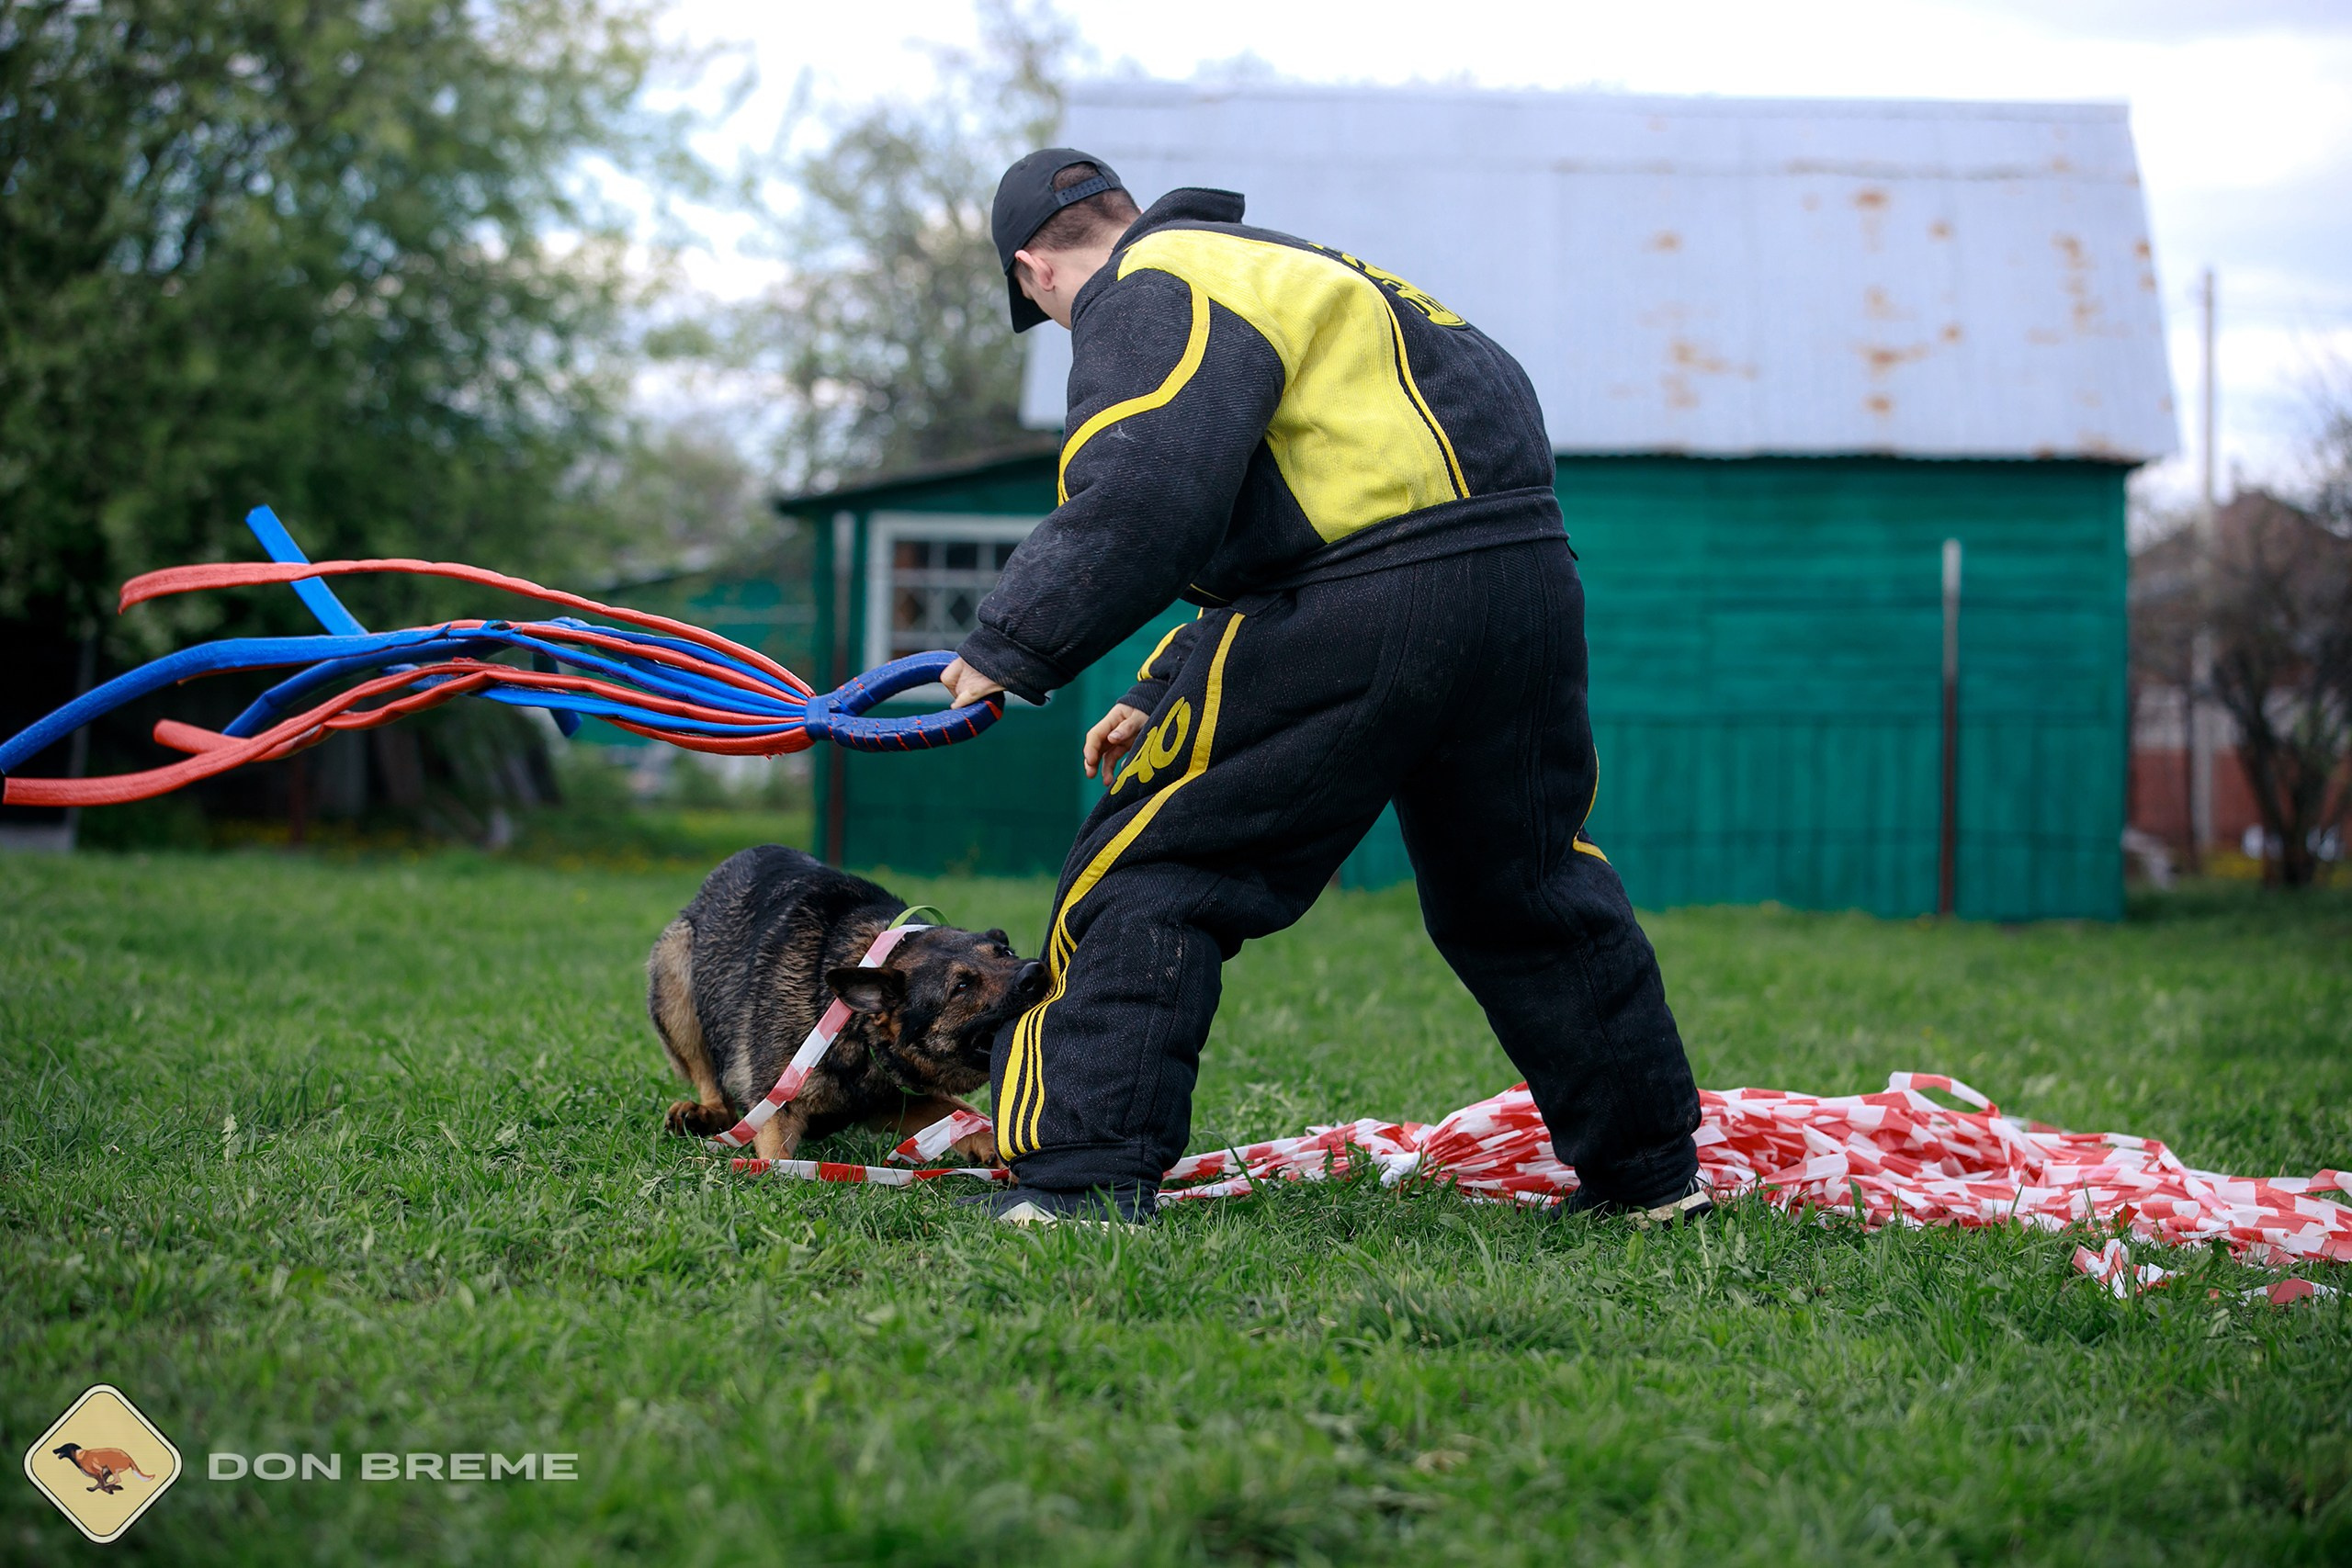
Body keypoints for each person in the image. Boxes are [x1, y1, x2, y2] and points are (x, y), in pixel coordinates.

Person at [938, 147, 1708, 1227]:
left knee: (1154, 873)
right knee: (1527, 889)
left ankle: (1081, 1183)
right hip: (1524, 586)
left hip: (1369, 604)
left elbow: (1153, 486)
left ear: (1035, 272)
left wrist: (1010, 643)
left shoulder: (1149, 284)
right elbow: (1321, 501)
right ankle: (1649, 1178)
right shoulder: (1307, 271)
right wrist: (1167, 685)